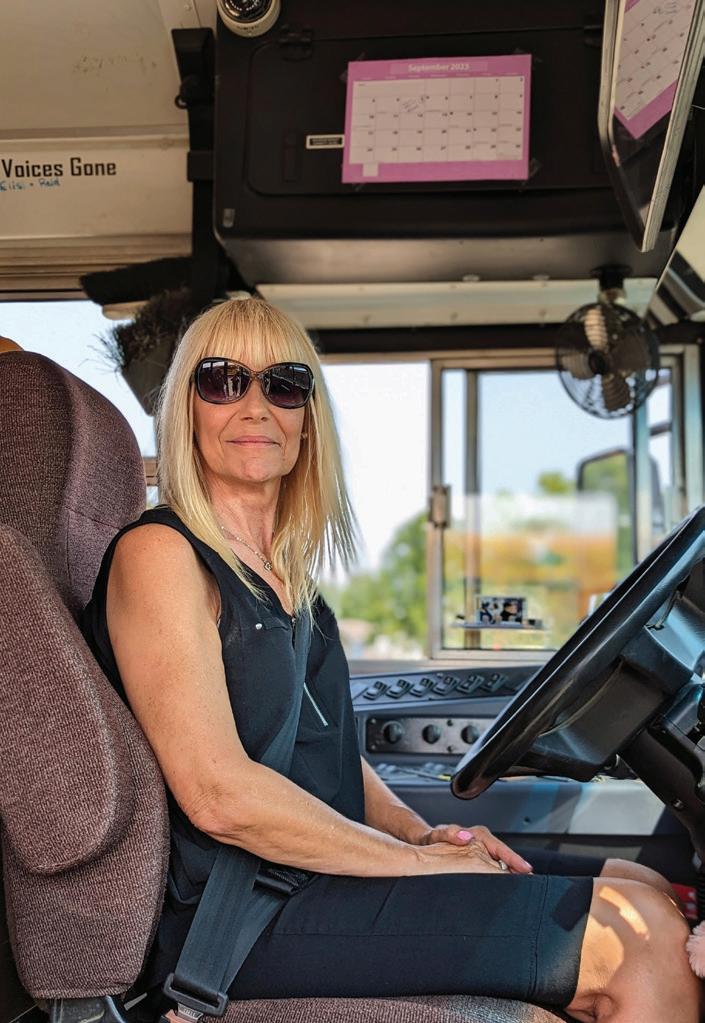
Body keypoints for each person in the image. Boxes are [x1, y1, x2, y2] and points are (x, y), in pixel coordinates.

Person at [81, 298, 700, 1023]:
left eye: (283, 384)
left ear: (307, 416)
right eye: (223, 381)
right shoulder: (160, 555)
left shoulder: (290, 581)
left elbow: (332, 751)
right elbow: (218, 793)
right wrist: (413, 864)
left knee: (644, 885)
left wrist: (420, 833)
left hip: (313, 882)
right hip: (238, 920)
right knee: (640, 940)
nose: (255, 406)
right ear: (187, 409)